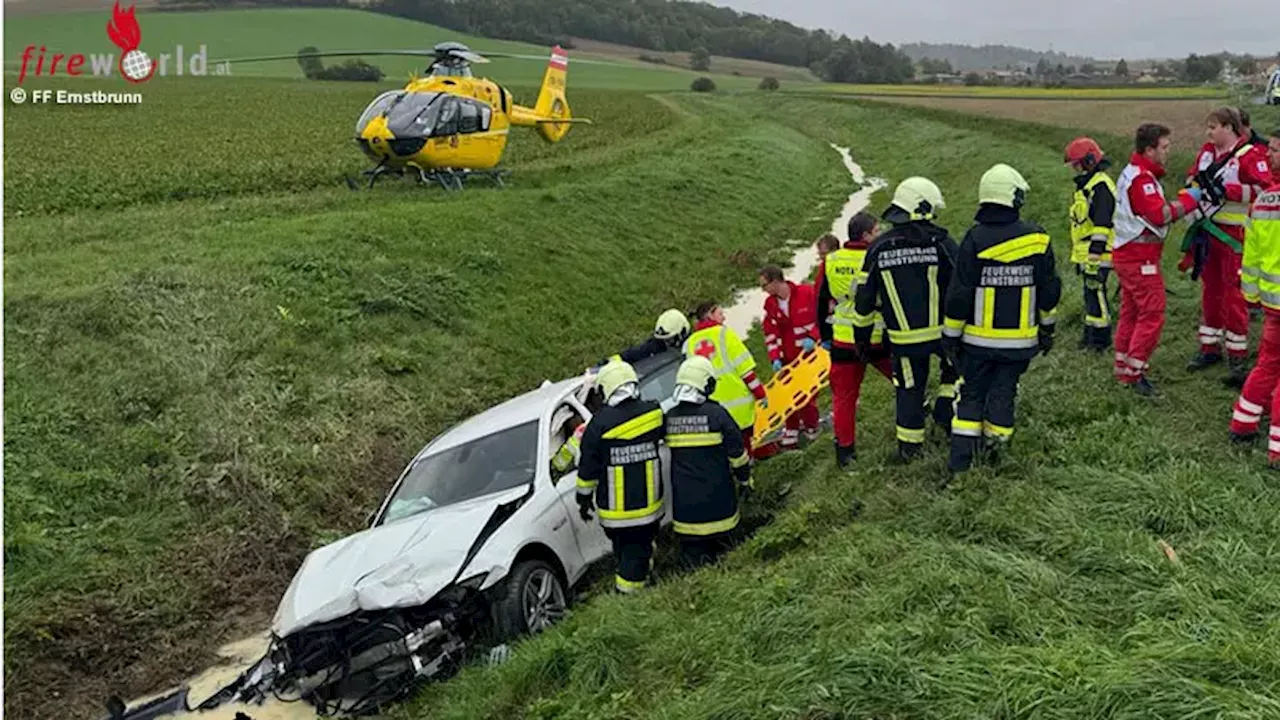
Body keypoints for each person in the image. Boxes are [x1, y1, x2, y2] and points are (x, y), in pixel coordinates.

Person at [943, 163, 1061, 473]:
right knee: (1003, 394)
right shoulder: (1037, 239)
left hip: (976, 345)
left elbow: (959, 294)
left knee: (971, 396)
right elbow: (1049, 290)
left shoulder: (974, 239)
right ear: (1014, 197)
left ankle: (961, 465)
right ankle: (995, 458)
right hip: (1019, 343)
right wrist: (1047, 329)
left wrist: (951, 337)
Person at [851, 177, 960, 463]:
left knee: (909, 392)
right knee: (956, 374)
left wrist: (861, 340)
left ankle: (910, 451)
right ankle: (947, 414)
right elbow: (963, 284)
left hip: (904, 342)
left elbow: (863, 302)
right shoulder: (943, 242)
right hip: (944, 336)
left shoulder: (878, 248)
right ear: (923, 207)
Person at [1182, 107, 1273, 386]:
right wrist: (1195, 186)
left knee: (1234, 295)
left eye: (1213, 127)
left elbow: (1266, 189)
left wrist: (1228, 191)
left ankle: (1237, 355)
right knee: (1211, 291)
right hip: (1208, 232)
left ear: (1229, 128)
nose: (1209, 133)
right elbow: (1190, 177)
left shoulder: (1250, 156)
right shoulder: (1207, 153)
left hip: (1235, 235)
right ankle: (1209, 347)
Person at [1112, 123, 1202, 395]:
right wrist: (1189, 201)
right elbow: (1159, 215)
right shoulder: (1142, 180)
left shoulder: (1135, 173)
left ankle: (1123, 366)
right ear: (1149, 149)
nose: (1168, 151)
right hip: (1140, 258)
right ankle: (1135, 373)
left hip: (1129, 254)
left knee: (1131, 312)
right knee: (1152, 313)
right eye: (1164, 147)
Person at [575, 359, 666, 594]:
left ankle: (633, 588)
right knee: (637, 556)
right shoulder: (653, 413)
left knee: (627, 553)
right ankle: (629, 597)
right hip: (647, 507)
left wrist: (583, 500)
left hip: (613, 514)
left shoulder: (598, 425)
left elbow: (587, 470)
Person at [816, 211, 893, 468]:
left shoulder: (831, 261)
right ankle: (919, 419)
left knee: (843, 399)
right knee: (905, 381)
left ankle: (845, 453)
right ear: (866, 235)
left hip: (843, 341)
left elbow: (821, 300)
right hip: (878, 336)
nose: (880, 234)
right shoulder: (879, 255)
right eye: (877, 230)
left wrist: (825, 337)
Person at [664, 356, 753, 568]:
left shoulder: (669, 418)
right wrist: (745, 481)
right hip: (720, 508)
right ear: (707, 384)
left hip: (686, 516)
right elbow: (738, 455)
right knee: (729, 562)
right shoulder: (718, 415)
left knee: (694, 569)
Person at [1229, 175, 1280, 464]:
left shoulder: (1263, 201)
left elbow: (1251, 255)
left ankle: (1243, 423)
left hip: (1272, 301)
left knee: (1268, 364)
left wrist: (1250, 296)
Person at [683, 301, 769, 455]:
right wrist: (760, 394)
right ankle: (746, 470)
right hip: (738, 406)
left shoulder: (690, 343)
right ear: (710, 315)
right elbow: (746, 371)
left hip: (711, 409)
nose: (724, 318)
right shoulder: (725, 334)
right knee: (743, 446)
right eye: (720, 314)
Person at [1064, 136, 1118, 351]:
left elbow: (1102, 223)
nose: (1075, 170)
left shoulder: (1100, 187)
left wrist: (1095, 253)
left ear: (1088, 161)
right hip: (1088, 253)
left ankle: (1100, 340)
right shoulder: (1087, 186)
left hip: (1098, 254)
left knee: (1096, 295)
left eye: (1076, 165)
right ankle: (1089, 335)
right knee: (1090, 295)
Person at [759, 265, 821, 449]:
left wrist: (814, 337)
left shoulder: (806, 293)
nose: (763, 290)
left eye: (764, 285)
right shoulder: (771, 305)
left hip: (808, 355)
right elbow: (770, 333)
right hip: (786, 357)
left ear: (776, 281)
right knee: (786, 394)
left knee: (806, 394)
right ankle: (792, 426)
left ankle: (811, 425)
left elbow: (822, 318)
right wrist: (774, 358)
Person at [594, 308, 690, 368]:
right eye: (664, 340)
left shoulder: (692, 346)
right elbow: (632, 354)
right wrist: (607, 363)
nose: (666, 343)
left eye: (670, 339)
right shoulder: (656, 346)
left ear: (682, 333)